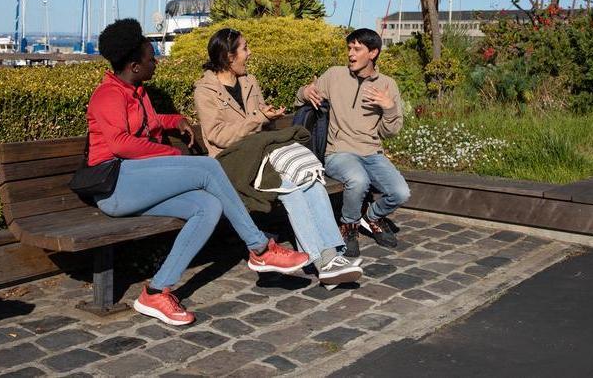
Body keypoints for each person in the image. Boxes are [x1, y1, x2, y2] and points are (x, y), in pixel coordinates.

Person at [87, 18, 309, 326]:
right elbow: (121, 144)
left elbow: (147, 124)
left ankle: (155, 291)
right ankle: (259, 247)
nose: (157, 62)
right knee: (207, 167)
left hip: (136, 182)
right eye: (152, 58)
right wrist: (171, 153)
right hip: (115, 186)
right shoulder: (108, 95)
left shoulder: (137, 91)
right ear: (135, 66)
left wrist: (174, 120)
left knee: (209, 206)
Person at [194, 28, 363, 288]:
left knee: (310, 179)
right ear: (229, 57)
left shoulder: (249, 81)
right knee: (291, 189)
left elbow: (260, 127)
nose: (249, 54)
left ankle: (331, 256)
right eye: (245, 49)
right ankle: (321, 261)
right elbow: (218, 137)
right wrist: (259, 119)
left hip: (261, 156)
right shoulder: (206, 90)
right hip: (232, 165)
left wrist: (267, 116)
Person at [296, 28, 409, 258]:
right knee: (358, 180)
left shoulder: (387, 85)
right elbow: (300, 97)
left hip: (372, 153)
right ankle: (348, 226)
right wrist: (305, 92)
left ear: (373, 53)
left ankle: (373, 217)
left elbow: (391, 131)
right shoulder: (335, 75)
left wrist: (389, 108)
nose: (351, 54)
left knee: (400, 192)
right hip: (339, 152)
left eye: (357, 49)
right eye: (349, 48)